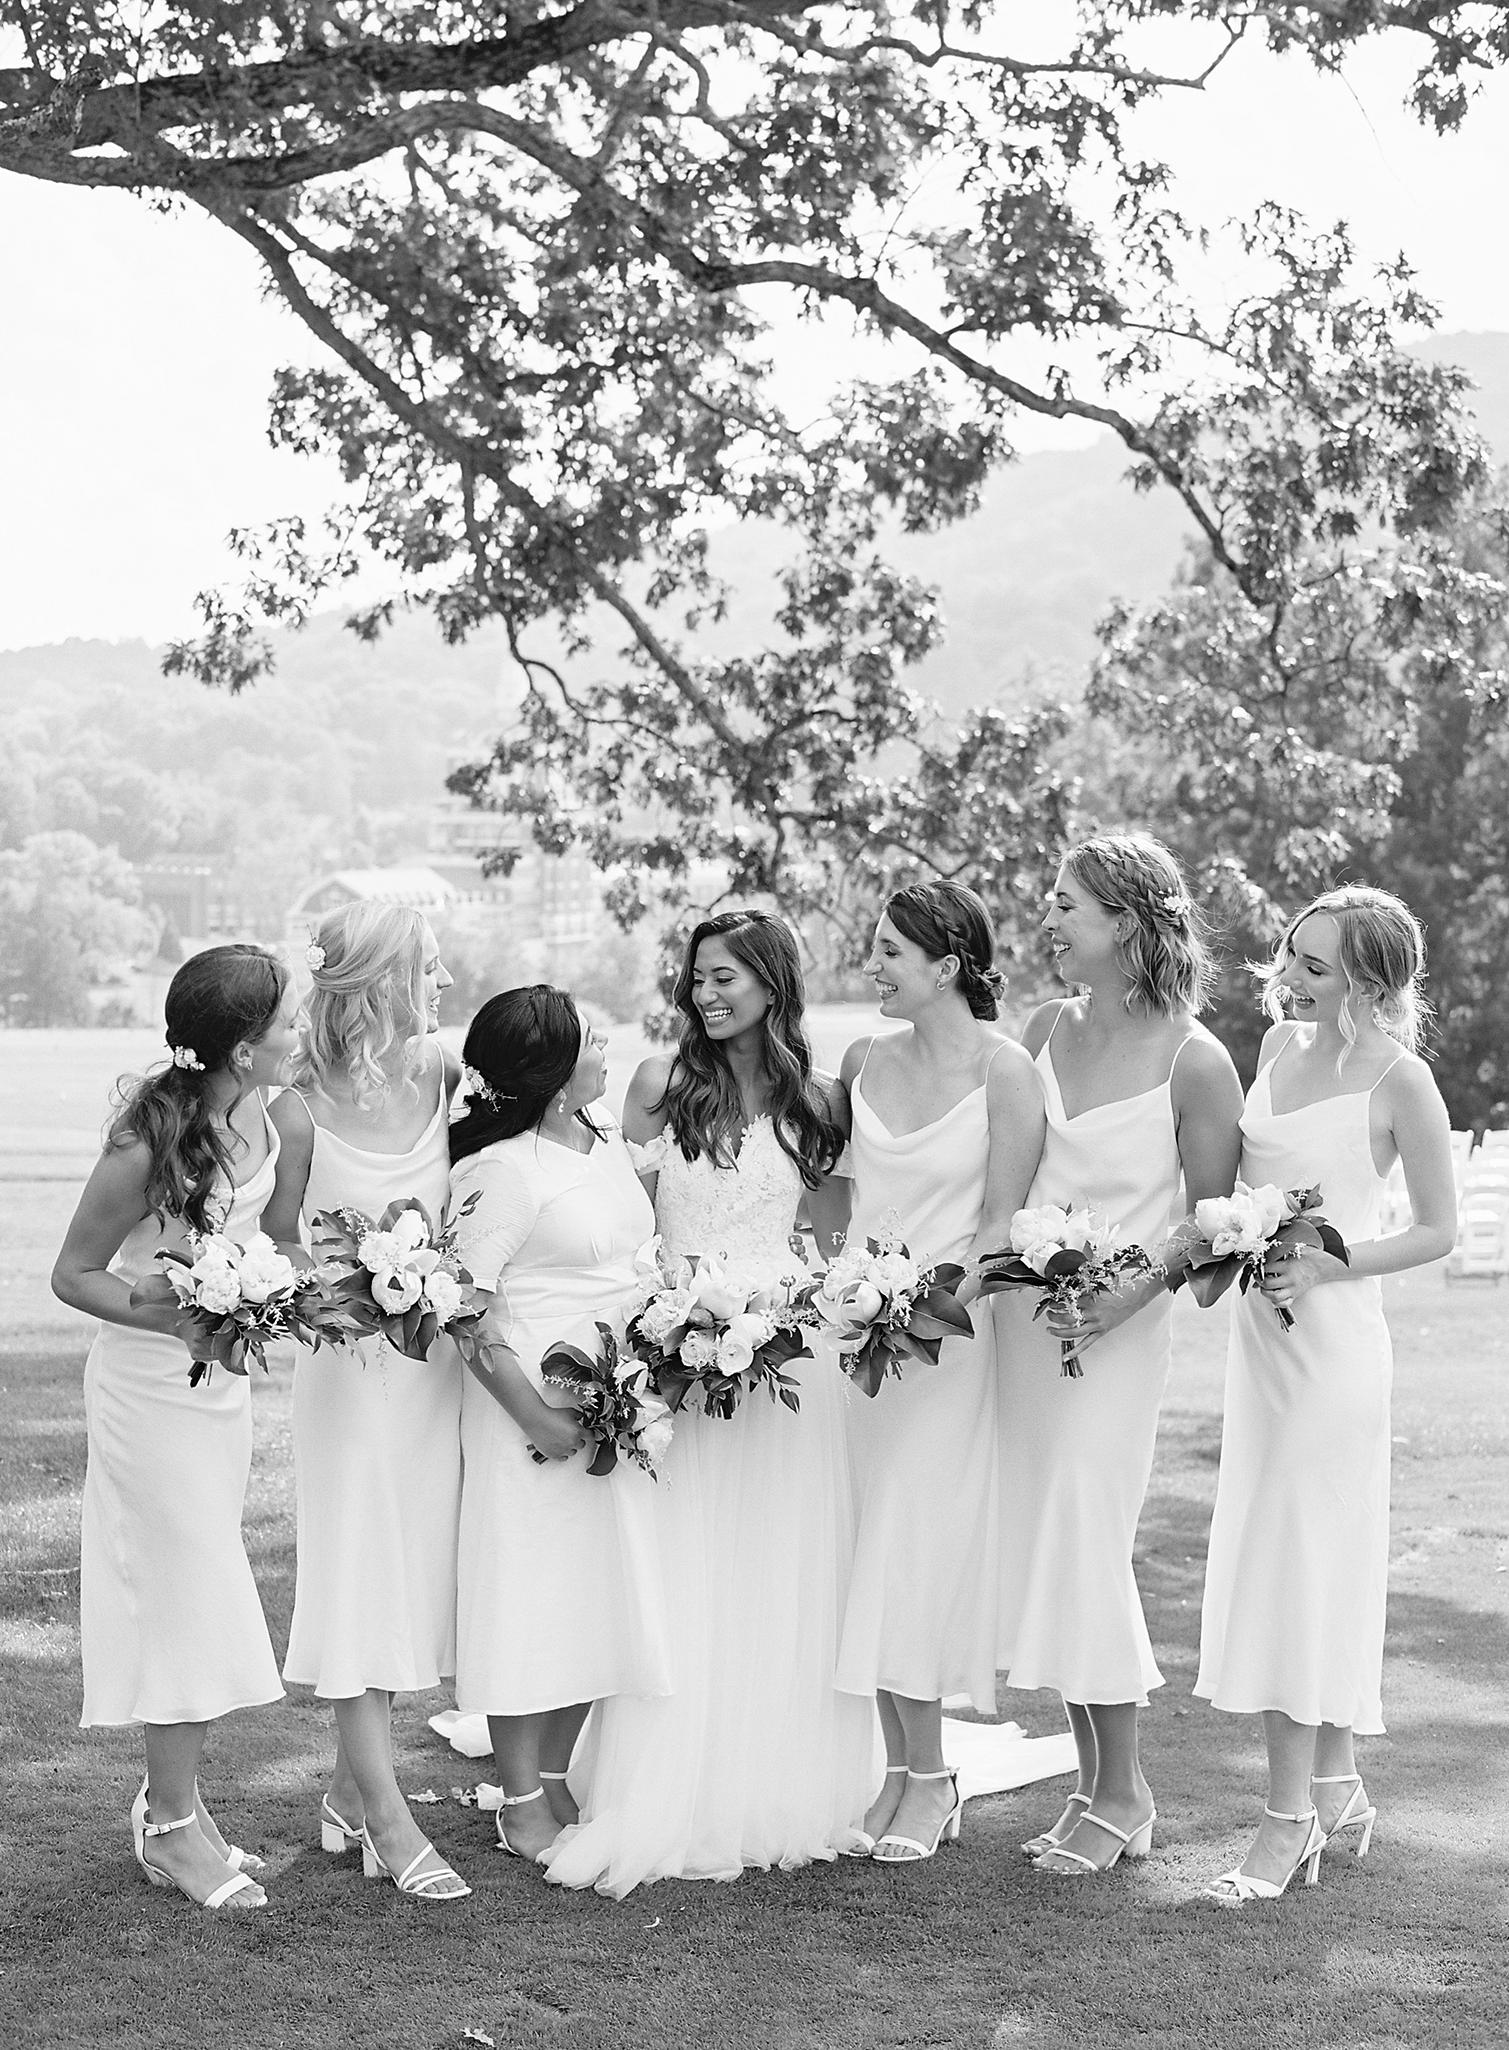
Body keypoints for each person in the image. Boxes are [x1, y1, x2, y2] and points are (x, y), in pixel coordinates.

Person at [543, 910, 875, 1896]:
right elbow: (621, 1220)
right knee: (683, 1565)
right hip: (679, 1351)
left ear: (774, 982)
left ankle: (778, 1777)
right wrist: (670, 1318)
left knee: (780, 1564)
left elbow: (829, 1236)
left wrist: (780, 1313)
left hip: (786, 1358)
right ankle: (665, 1773)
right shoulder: (659, 1085)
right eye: (697, 978)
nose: (706, 993)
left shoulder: (821, 1100)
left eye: (726, 976)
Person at [1193, 886, 1455, 1903]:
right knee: (1298, 1551)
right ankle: (1337, 1784)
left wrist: (1332, 1264)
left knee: (1301, 1562)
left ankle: (1286, 1822)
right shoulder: (1274, 1050)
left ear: (1371, 981)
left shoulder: (1404, 1080)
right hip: (1263, 1343)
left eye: (1316, 966)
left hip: (1336, 1350)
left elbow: (1438, 1229)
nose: (1289, 977)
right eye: (1291, 956)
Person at [999, 832, 1243, 1877]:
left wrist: (1125, 1292)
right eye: (1051, 901)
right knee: (1053, 1547)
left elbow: (1215, 1221)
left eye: (1069, 906)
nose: (1049, 920)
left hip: (1123, 1334)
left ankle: (1128, 1789)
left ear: (1129, 924)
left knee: (1089, 1543)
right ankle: (1095, 1789)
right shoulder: (1044, 1028)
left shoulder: (1199, 1059)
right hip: (1032, 1331)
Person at [53, 944, 301, 1911]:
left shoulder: (262, 1109)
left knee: (195, 1581)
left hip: (216, 1395)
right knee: (188, 1591)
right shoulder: (144, 1143)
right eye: (286, 1023)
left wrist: (258, 1300)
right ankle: (167, 1828)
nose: (299, 1035)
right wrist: (175, 1309)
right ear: (243, 1046)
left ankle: (183, 1813)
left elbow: (266, 1239)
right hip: (146, 1394)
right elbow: (75, 1273)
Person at [834, 880, 1046, 1865]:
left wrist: (930, 1304)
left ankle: (935, 1775)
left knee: (911, 1549)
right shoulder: (859, 1058)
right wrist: (855, 1297)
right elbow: (839, 1206)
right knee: (865, 1545)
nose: (870, 966)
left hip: (951, 1339)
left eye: (887, 952)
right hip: (855, 1341)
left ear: (947, 965)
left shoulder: (1007, 1072)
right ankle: (896, 1769)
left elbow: (1001, 1223)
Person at [263, 902, 468, 1903]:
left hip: (431, 1368)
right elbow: (275, 1240)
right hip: (347, 1371)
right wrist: (340, 1283)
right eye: (426, 968)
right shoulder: (295, 1103)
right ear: (381, 979)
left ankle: (348, 1795)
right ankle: (389, 1819)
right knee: (356, 1575)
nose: (439, 983)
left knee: (410, 1571)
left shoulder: (442, 1073)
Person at [448, 986, 671, 1867]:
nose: (606, 1040)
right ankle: (519, 1794)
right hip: (527, 1414)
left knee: (595, 1594)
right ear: (549, 1072)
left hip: (615, 1408)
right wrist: (536, 1417)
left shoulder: (606, 1134)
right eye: (589, 1036)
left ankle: (561, 1775)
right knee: (529, 1598)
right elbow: (462, 1312)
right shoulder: (501, 1171)